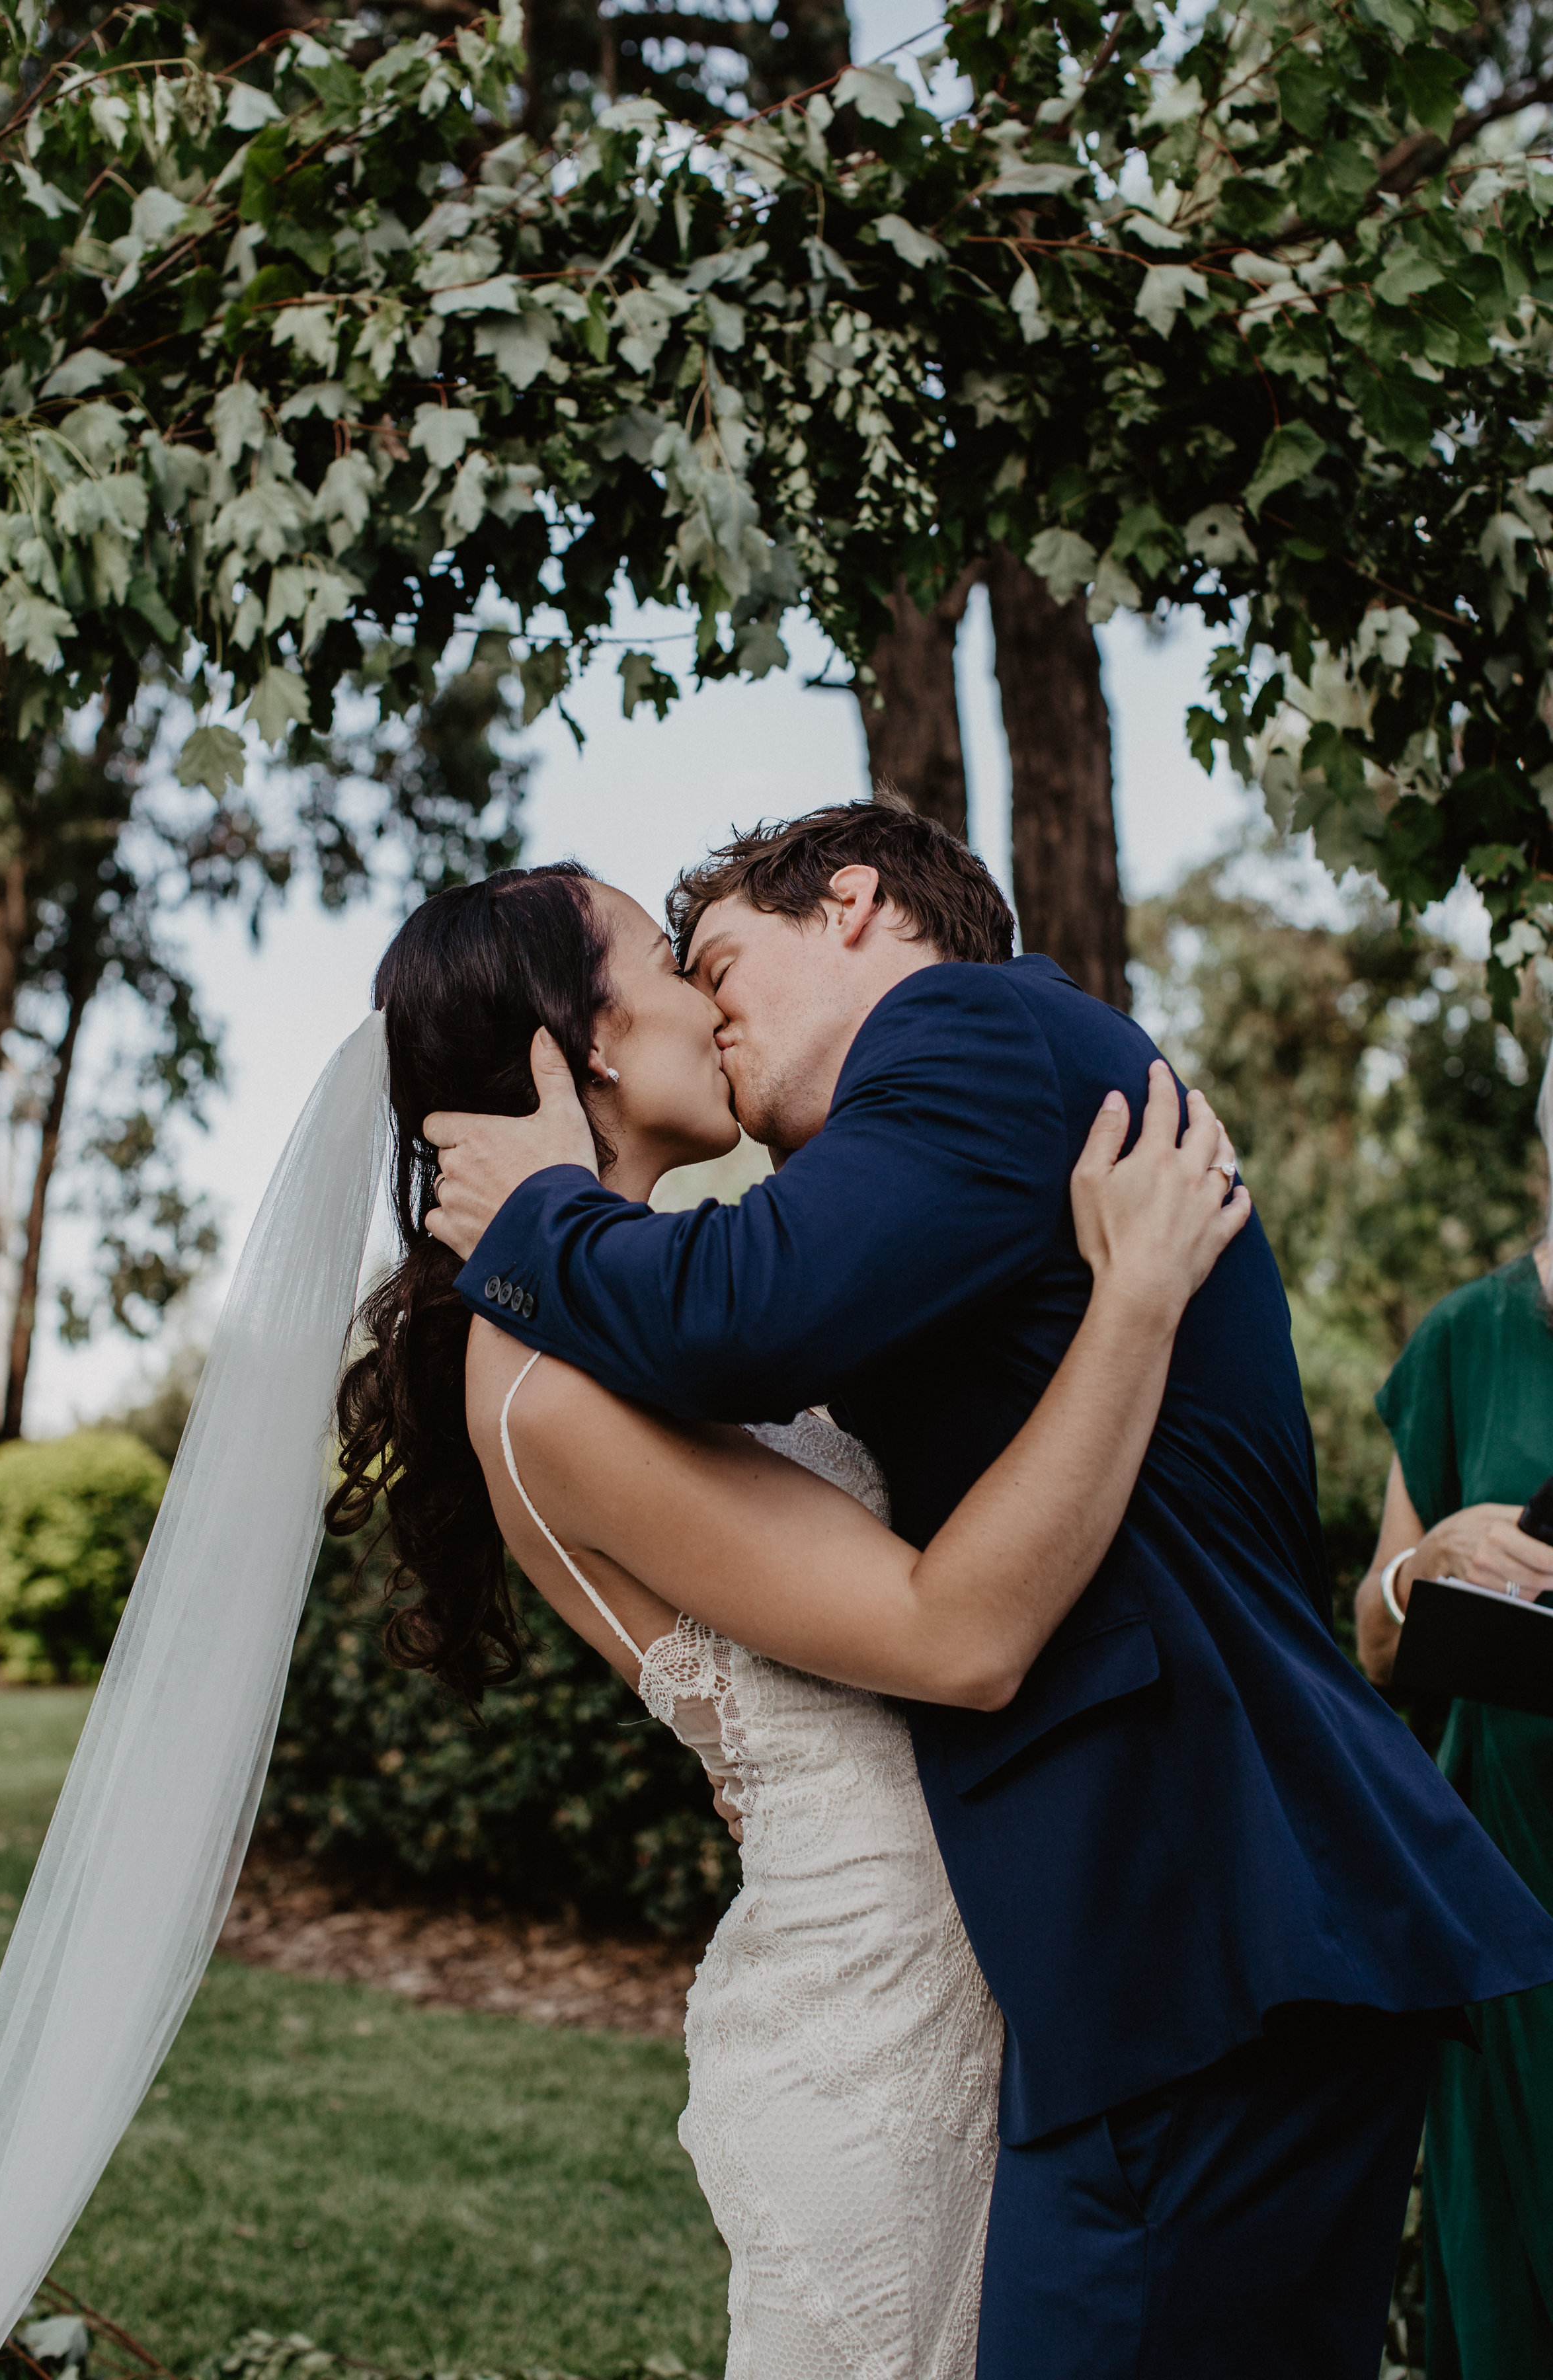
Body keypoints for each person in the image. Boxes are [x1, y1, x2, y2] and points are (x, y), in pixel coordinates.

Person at [424, 797, 1553, 2380]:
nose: (708, 1002)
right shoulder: (936, 1182)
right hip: (1139, 1950)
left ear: (862, 908)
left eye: (727, 957)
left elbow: (741, 1315)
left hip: (1197, 1910)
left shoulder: (969, 1032)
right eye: (673, 969)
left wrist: (540, 1212)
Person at [329, 859, 1250, 2380]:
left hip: (969, 1990)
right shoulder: (550, 1389)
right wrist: (1133, 1304)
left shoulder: (661, 1319)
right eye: (664, 956)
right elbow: (956, 1637)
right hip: (874, 2036)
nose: (711, 992)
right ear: (593, 1041)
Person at [1355, 1041, 1553, 2379]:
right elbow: (1371, 1643)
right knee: (1508, 2268)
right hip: (1511, 1878)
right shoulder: (1467, 1338)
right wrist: (1429, 1565)